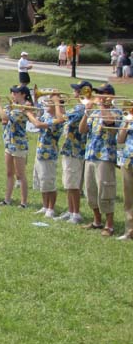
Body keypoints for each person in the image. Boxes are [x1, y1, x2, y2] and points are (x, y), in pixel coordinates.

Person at [79, 83, 122, 236]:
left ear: (110, 96)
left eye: (103, 94)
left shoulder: (116, 111)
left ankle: (109, 225)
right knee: (90, 190)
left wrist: (101, 106)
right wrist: (87, 112)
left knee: (106, 190)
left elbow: (110, 123)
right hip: (90, 155)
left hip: (105, 157)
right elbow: (82, 130)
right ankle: (97, 220)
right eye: (99, 94)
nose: (99, 97)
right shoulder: (94, 112)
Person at [56, 81, 91, 224]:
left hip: (75, 150)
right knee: (68, 183)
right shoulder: (78, 106)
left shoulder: (82, 108)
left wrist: (57, 103)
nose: (74, 93)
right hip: (69, 148)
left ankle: (76, 213)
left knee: (73, 184)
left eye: (76, 91)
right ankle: (70, 211)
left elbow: (61, 118)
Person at [26, 96, 65, 218]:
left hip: (49, 154)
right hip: (40, 152)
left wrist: (28, 113)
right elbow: (36, 120)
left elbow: (37, 124)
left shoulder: (58, 119)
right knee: (41, 181)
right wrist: (32, 109)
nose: (46, 104)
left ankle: (51, 208)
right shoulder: (47, 115)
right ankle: (45, 206)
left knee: (49, 182)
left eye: (50, 103)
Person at [0, 85, 32, 207]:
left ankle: (23, 202)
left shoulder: (25, 107)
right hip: (9, 143)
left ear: (23, 94)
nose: (12, 94)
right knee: (9, 173)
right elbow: (1, 118)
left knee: (20, 174)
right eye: (12, 92)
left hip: (19, 144)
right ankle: (7, 199)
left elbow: (6, 117)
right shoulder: (12, 105)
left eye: (15, 92)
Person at [116, 111, 133, 240]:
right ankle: (129, 231)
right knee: (128, 199)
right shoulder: (128, 117)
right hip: (128, 160)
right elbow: (120, 140)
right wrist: (127, 121)